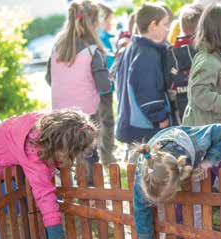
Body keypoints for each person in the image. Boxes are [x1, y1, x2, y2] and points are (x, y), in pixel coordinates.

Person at [0, 110, 98, 239]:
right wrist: (58, 238)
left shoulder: (45, 125)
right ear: (59, 144)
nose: (73, 157)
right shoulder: (33, 153)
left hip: (1, 153)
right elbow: (45, 194)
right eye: (71, 153)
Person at [182, 4, 221, 231]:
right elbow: (198, 94)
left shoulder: (216, 59)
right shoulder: (208, 61)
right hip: (208, 134)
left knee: (200, 178)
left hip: (210, 131)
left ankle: (187, 221)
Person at [133, 124, 221, 239]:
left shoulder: (198, 142)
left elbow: (220, 130)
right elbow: (140, 207)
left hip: (189, 158)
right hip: (166, 157)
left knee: (196, 209)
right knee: (159, 215)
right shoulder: (144, 170)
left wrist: (208, 161)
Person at [46, 1, 111, 182]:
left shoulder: (56, 48)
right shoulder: (92, 52)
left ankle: (70, 191)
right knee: (88, 155)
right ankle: (90, 194)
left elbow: (48, 79)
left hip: (59, 114)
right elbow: (104, 87)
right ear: (94, 23)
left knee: (66, 154)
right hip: (86, 114)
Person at [115, 3, 173, 144]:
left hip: (130, 123)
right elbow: (147, 89)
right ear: (153, 25)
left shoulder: (132, 47)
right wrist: (160, 117)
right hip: (144, 127)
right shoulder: (147, 54)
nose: (168, 29)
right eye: (165, 24)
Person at [164, 4, 203, 121]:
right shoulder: (207, 50)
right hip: (208, 114)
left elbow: (168, 83)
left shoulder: (170, 53)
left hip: (182, 115)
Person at [97, 3, 117, 167]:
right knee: (107, 121)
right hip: (103, 89)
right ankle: (107, 157)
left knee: (99, 122)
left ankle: (103, 155)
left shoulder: (96, 37)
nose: (112, 23)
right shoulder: (102, 38)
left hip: (98, 88)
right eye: (110, 20)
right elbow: (110, 62)